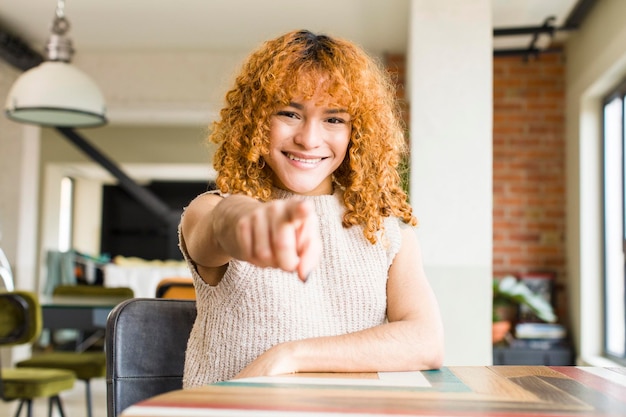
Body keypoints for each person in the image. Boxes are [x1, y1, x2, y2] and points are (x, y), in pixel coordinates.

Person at [179, 29, 444, 388]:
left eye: (334, 119)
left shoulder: (387, 233)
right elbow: (219, 227)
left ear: (357, 132)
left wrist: (290, 357)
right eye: (289, 113)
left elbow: (426, 342)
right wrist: (250, 222)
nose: (309, 139)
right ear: (256, 120)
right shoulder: (211, 209)